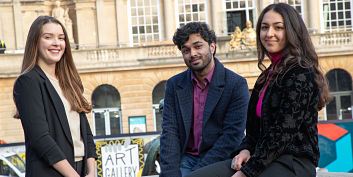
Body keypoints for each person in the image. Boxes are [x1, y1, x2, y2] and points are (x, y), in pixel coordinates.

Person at [186, 3, 331, 177]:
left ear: (291, 31)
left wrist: (247, 172)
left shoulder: (300, 72)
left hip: (293, 162)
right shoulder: (266, 77)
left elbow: (283, 132)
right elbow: (253, 132)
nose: (269, 34)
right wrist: (246, 150)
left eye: (278, 28)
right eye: (264, 27)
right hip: (265, 159)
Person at [159, 22, 250, 177]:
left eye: (198, 46)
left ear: (212, 47)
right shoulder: (175, 85)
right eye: (186, 50)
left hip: (222, 159)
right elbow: (170, 133)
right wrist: (170, 174)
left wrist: (198, 174)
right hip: (186, 158)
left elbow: (231, 137)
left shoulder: (236, 84)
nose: (192, 53)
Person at [13, 16, 97, 177]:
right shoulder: (28, 82)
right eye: (48, 37)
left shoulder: (69, 81)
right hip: (52, 172)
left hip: (81, 170)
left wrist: (92, 171)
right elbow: (40, 139)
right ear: (35, 42)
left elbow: (85, 133)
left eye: (61, 38)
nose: (56, 43)